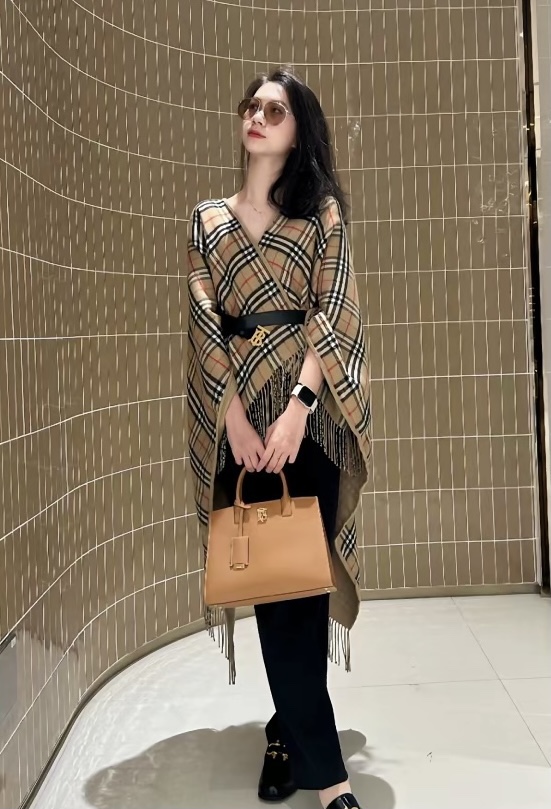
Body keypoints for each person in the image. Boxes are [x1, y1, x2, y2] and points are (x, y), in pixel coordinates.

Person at [187, 67, 371, 809]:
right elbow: (203, 320)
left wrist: (298, 406)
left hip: (308, 423)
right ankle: (325, 774)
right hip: (241, 429)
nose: (257, 117)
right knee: (274, 594)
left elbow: (333, 309)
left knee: (302, 587)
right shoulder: (207, 219)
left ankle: (295, 743)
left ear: (299, 131)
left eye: (275, 109)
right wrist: (232, 414)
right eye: (251, 106)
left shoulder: (321, 215)